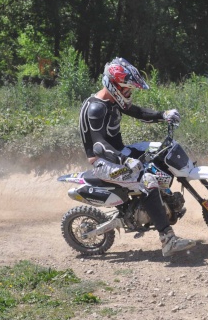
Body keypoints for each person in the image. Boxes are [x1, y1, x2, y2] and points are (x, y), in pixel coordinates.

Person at [79, 57, 196, 257]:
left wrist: (162, 115)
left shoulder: (113, 100)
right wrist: (124, 160)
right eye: (127, 89)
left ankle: (166, 202)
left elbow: (138, 112)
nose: (129, 93)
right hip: (105, 162)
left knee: (160, 150)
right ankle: (167, 239)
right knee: (147, 180)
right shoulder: (97, 108)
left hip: (120, 154)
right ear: (114, 86)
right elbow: (99, 145)